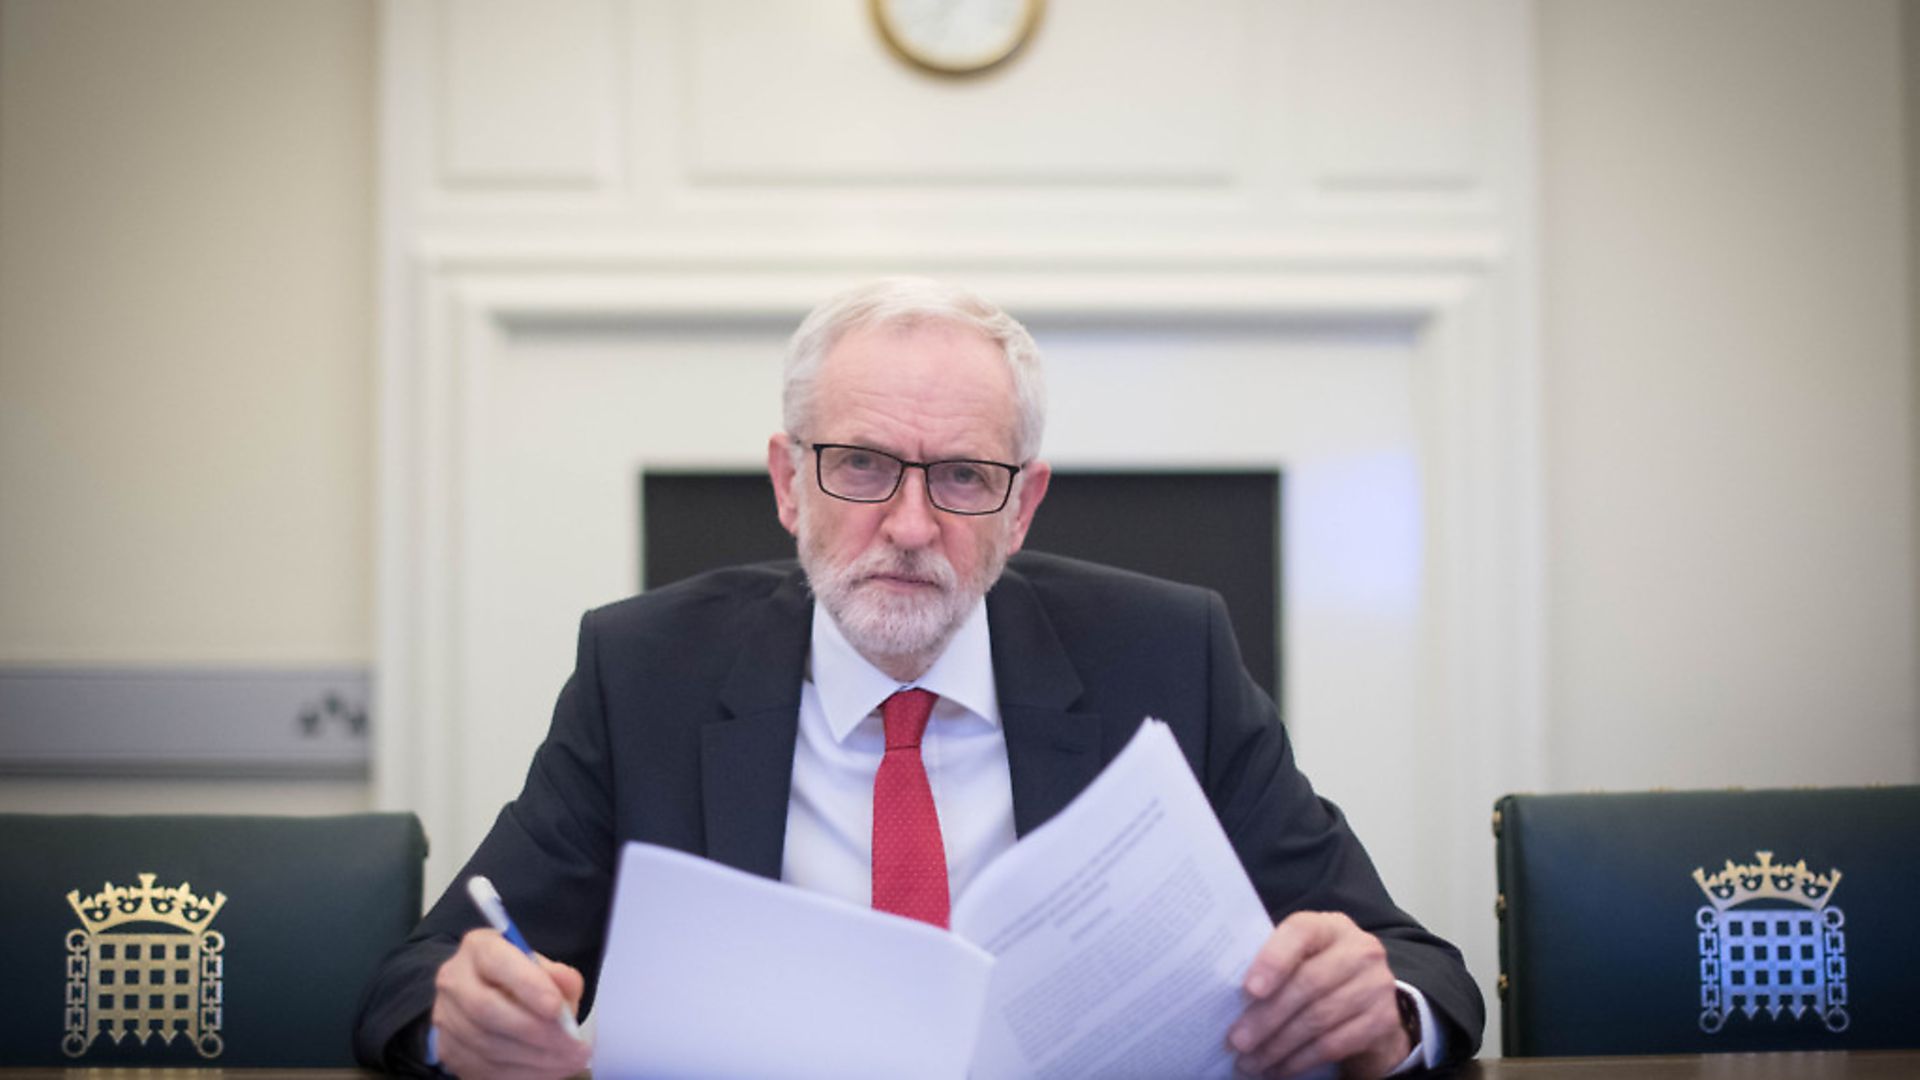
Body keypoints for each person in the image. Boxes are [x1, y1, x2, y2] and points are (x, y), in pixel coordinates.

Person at [353, 277, 1483, 1078]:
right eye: (860, 465)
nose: (907, 524)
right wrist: (470, 1026)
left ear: (1023, 506)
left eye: (961, 477)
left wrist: (1381, 1014)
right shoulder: (647, 670)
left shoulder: (1165, 655)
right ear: (789, 483)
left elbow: (1423, 970)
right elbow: (419, 980)